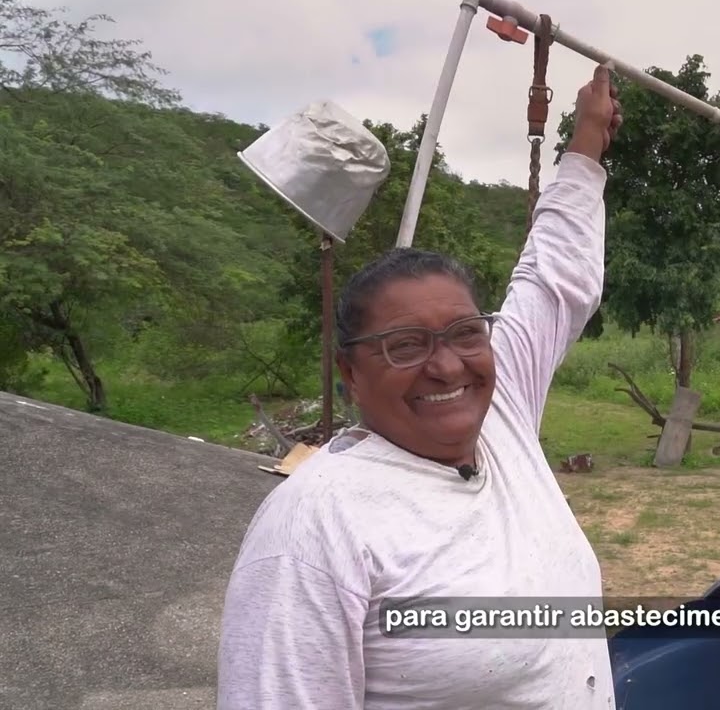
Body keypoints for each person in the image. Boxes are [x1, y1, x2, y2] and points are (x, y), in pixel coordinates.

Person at [217, 64, 623, 710]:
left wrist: (587, 142)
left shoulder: (501, 415)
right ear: (351, 373)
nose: (447, 366)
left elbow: (555, 276)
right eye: (405, 346)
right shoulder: (316, 528)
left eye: (465, 332)